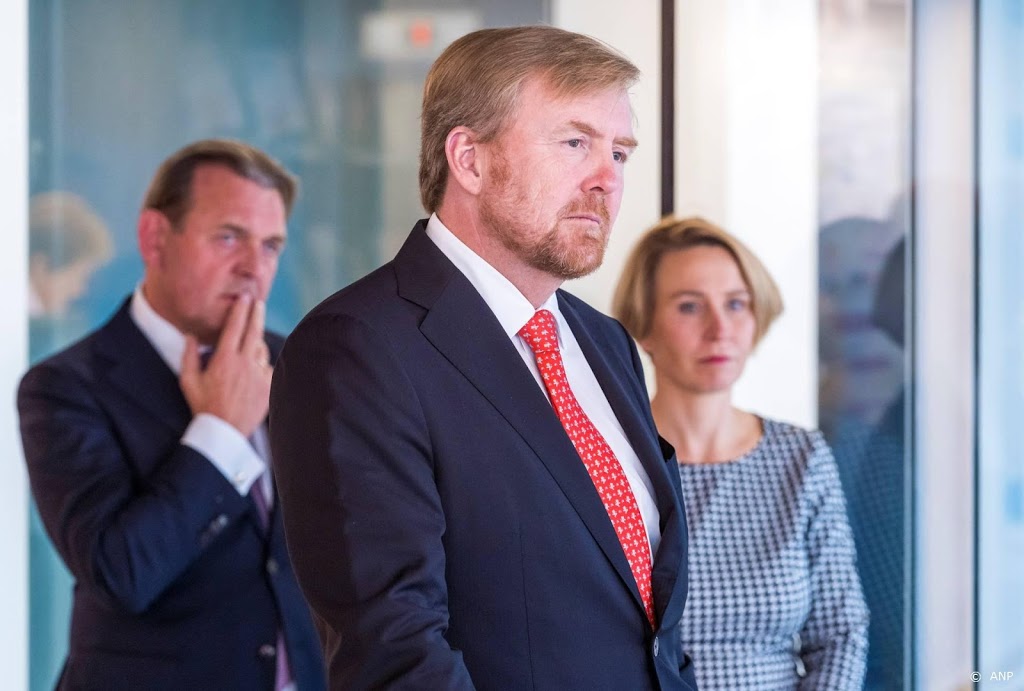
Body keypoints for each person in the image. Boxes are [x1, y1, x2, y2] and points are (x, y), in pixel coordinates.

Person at [269, 25, 697, 690]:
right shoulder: (355, 348)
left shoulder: (606, 342)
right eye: (575, 142)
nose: (606, 180)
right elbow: (395, 651)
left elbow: (648, 623)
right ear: (468, 159)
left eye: (619, 152)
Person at [18, 139, 326, 691]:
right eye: (228, 237)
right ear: (155, 238)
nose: (253, 267)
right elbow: (122, 574)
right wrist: (221, 432)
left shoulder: (298, 368)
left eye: (271, 246)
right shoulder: (64, 388)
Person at [613, 215, 868, 689]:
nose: (720, 329)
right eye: (690, 306)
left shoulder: (801, 458)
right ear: (643, 326)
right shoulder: (612, 460)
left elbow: (840, 633)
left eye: (736, 304)